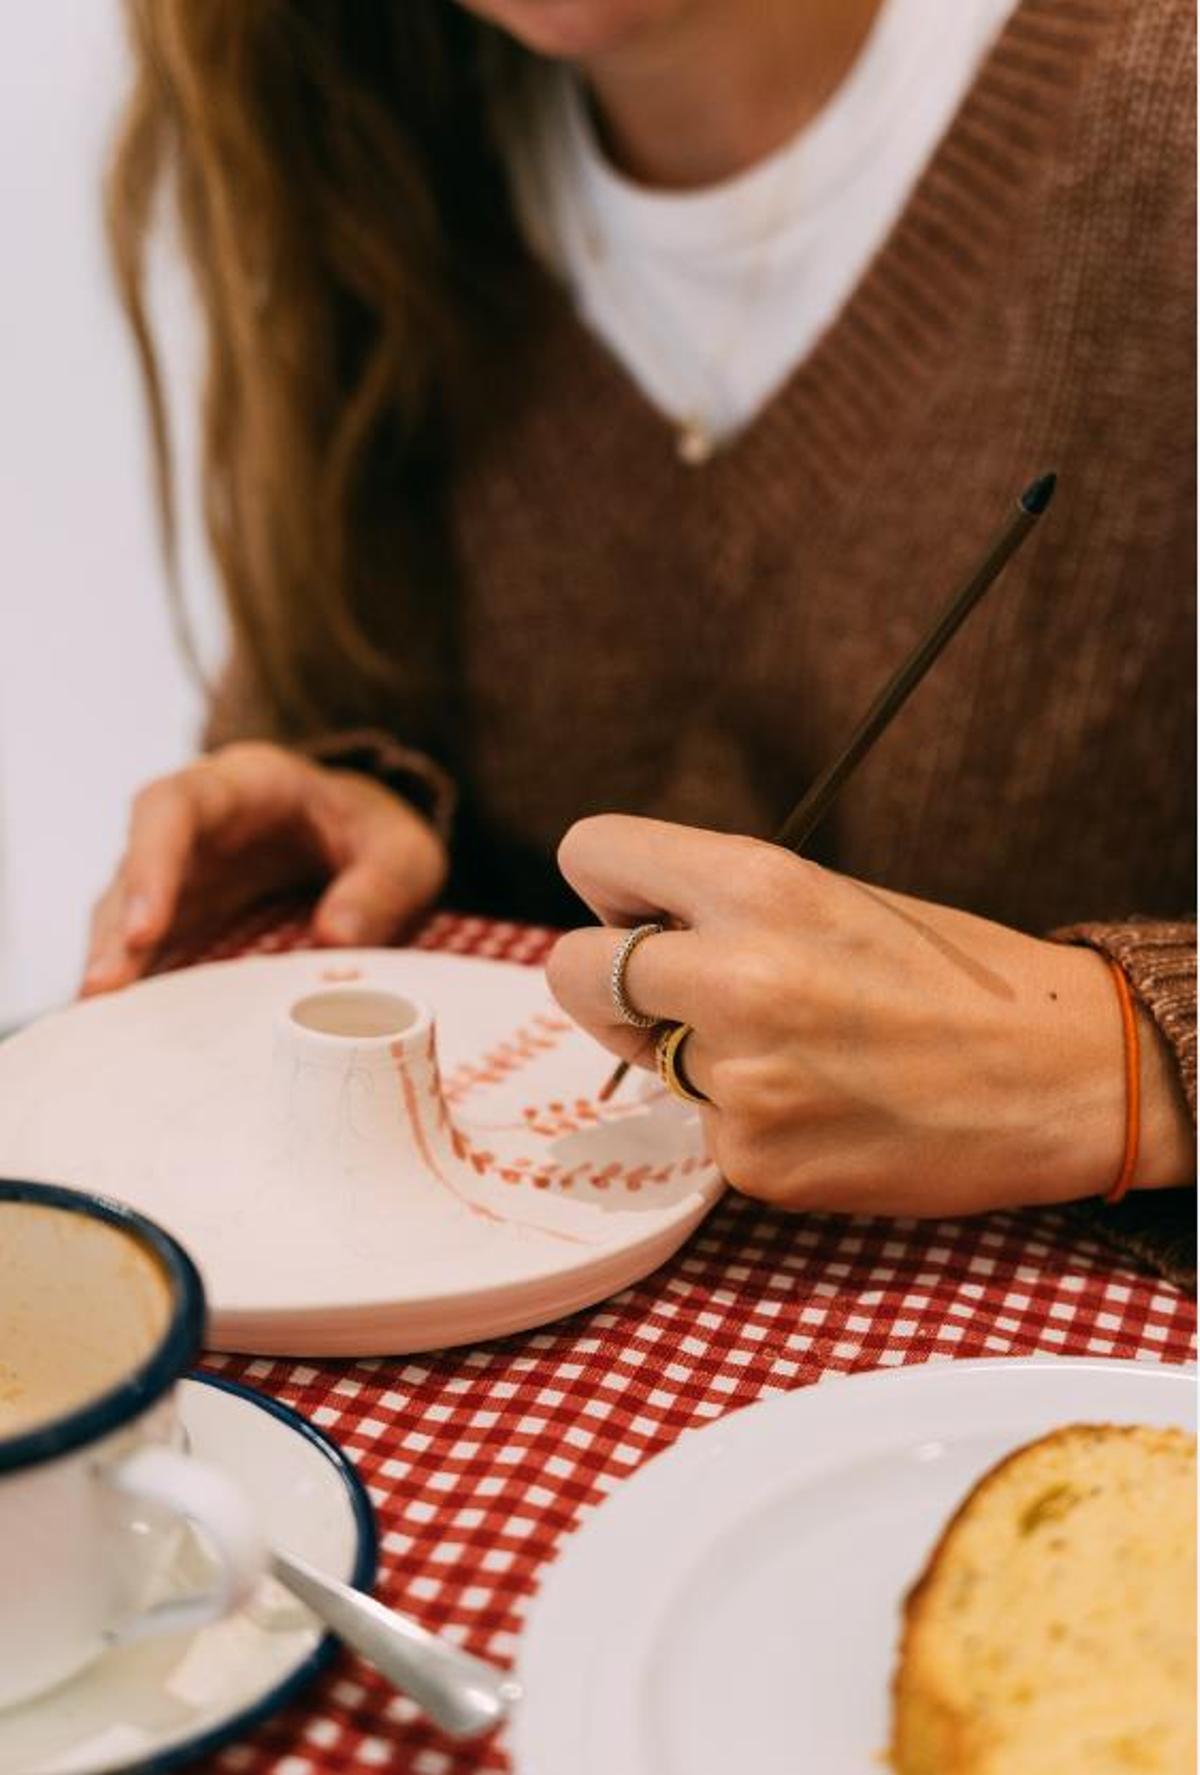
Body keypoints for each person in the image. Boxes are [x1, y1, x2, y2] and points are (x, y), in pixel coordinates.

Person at [85, 1, 1195, 1249]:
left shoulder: (1168, 110)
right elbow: (335, 696)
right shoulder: (360, 137)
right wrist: (365, 797)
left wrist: (1115, 1062)